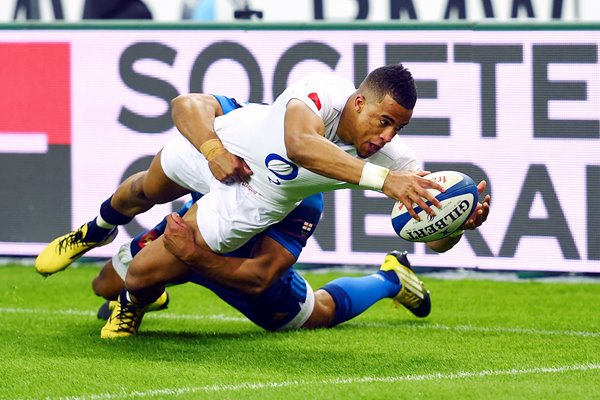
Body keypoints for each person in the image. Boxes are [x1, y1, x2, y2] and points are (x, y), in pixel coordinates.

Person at [35, 64, 452, 277]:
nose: (389, 135)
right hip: (230, 152)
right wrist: (213, 148)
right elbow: (300, 145)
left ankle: (138, 296)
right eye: (385, 121)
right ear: (359, 103)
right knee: (146, 189)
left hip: (255, 200)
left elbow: (434, 240)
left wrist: (455, 222)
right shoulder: (324, 90)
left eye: (399, 127)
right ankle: (97, 228)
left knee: (141, 273)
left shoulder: (395, 160)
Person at [94, 192, 434, 338]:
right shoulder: (227, 148)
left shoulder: (305, 197)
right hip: (189, 233)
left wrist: (194, 256)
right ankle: (147, 294)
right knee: (105, 285)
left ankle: (389, 277)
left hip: (239, 266)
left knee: (318, 313)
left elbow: (258, 277)